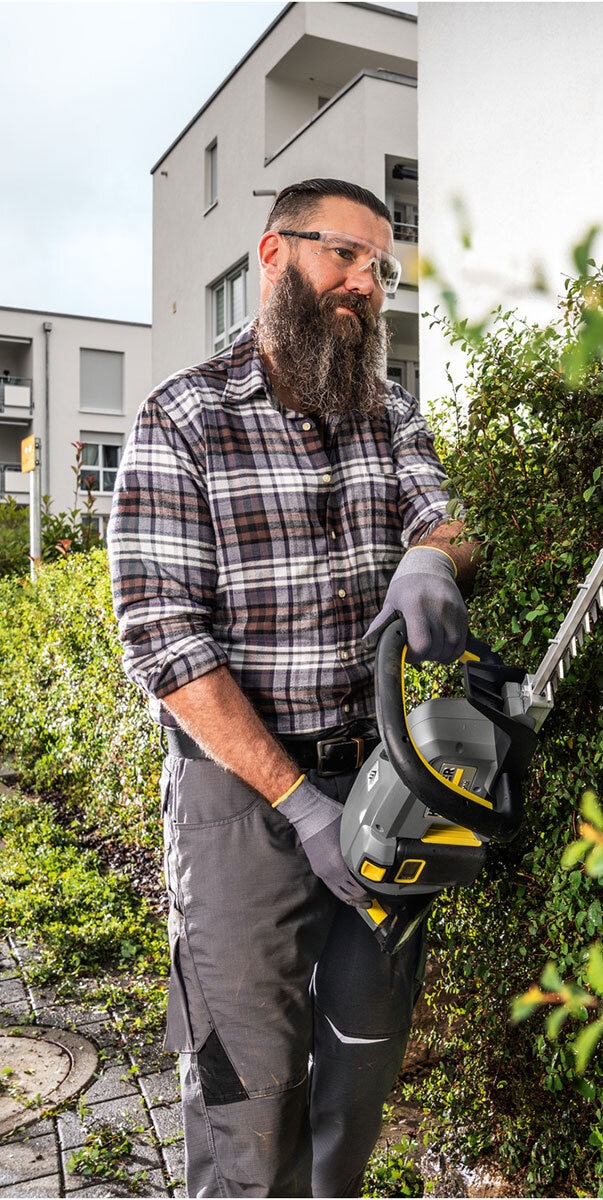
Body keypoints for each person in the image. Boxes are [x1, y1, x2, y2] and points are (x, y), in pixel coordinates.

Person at [108, 178, 478, 1196]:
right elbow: (163, 640)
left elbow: (442, 513)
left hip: (378, 794)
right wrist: (297, 802)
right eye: (345, 256)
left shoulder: (387, 408)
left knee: (354, 1096)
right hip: (240, 811)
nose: (367, 283)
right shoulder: (182, 419)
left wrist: (434, 559)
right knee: (249, 1107)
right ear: (275, 256)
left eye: (380, 268)